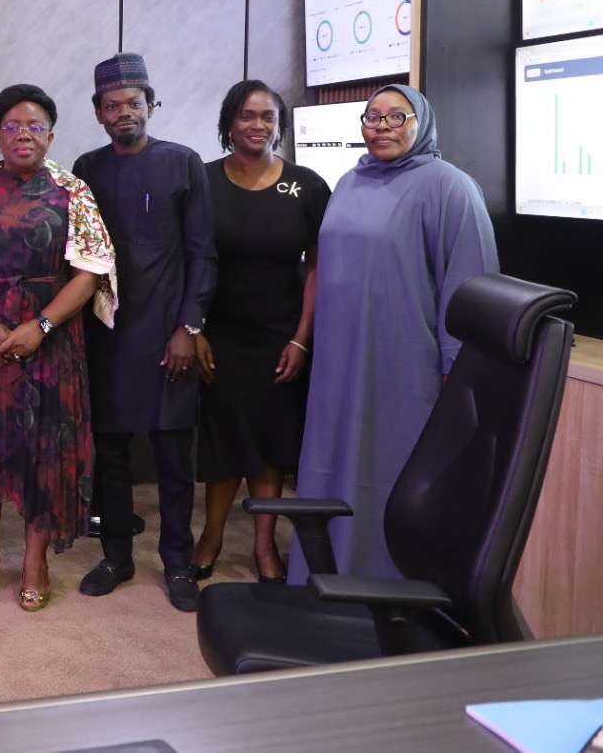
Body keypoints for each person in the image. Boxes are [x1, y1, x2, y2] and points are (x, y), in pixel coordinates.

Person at [291, 84, 498, 582]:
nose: (381, 126)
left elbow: (469, 286)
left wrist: (456, 370)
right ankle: (325, 576)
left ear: (421, 122)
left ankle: (387, 586)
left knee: (391, 471)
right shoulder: (349, 182)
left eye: (396, 117)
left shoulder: (449, 187)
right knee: (330, 463)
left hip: (403, 364)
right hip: (339, 361)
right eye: (372, 116)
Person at [0, 84, 117, 611]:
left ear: (51, 135)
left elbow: (89, 273)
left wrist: (41, 324)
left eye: (35, 126)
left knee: (43, 448)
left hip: (50, 342)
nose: (23, 135)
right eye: (12, 126)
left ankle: (36, 561)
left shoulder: (73, 192)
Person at [72, 53, 216, 612]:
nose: (124, 113)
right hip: (106, 334)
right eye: (112, 106)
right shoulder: (87, 168)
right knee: (109, 456)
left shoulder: (183, 163)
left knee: (174, 458)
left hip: (168, 334)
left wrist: (189, 326)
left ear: (151, 105)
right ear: (99, 113)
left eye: (134, 103)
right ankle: (116, 556)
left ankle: (176, 561)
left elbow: (203, 253)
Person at [188, 81, 329, 586]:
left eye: (268, 116)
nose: (258, 125)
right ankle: (211, 537)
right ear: (229, 122)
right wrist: (193, 328)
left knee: (271, 441)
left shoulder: (308, 186)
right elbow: (187, 261)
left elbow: (318, 268)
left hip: (281, 335)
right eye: (247, 115)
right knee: (224, 438)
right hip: (219, 333)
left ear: (280, 125)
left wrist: (301, 339)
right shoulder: (202, 181)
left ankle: (265, 546)